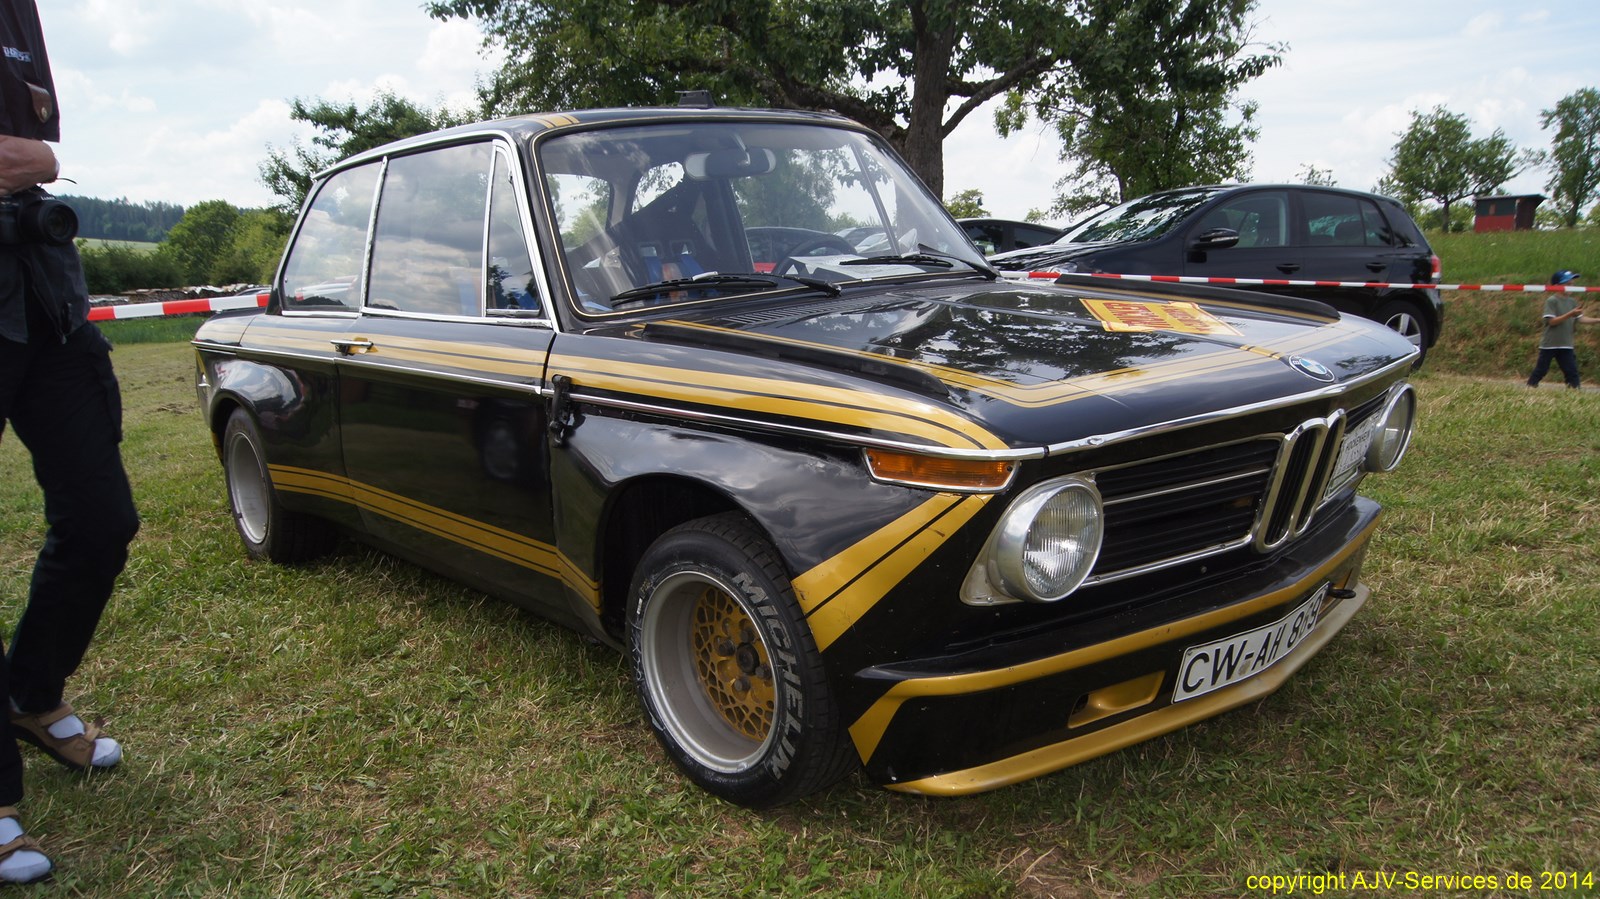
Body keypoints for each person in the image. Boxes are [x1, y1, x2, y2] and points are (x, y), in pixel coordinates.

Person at [1, 0, 139, 884]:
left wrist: (36, 162)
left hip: (38, 284)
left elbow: (40, 150)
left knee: (100, 518)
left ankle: (29, 693)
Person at [1527, 270, 1600, 389]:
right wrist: (1570, 314)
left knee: (1572, 372)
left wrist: (1597, 320)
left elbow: (1580, 319)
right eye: (1568, 284)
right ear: (1557, 286)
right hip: (1550, 345)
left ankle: (1574, 392)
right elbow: (1552, 321)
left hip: (1566, 345)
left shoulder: (1572, 302)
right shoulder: (1552, 301)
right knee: (1541, 370)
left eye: (1572, 284)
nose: (1572, 286)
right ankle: (1530, 388)